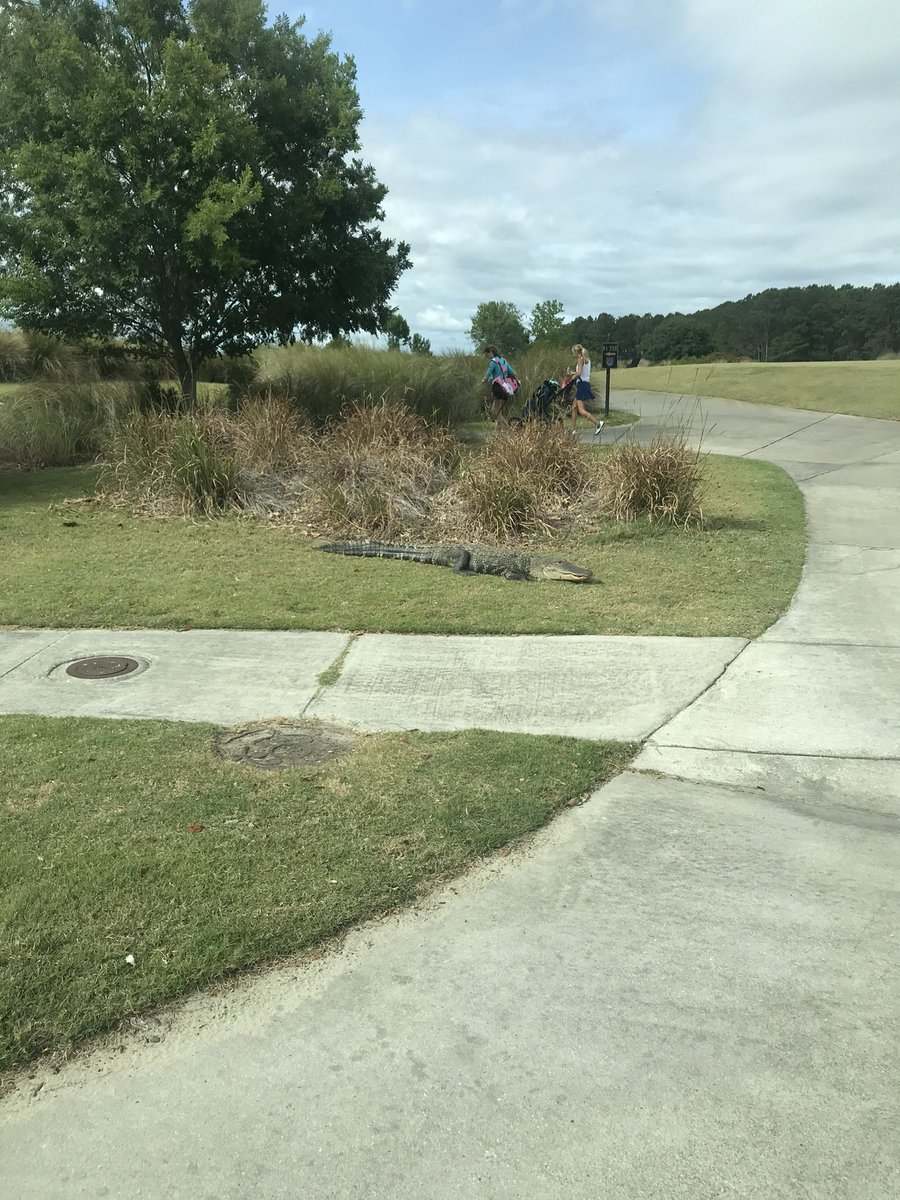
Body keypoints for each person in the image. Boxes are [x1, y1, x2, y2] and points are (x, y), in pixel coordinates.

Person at [570, 344, 603, 437]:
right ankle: (572, 429)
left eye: (573, 352)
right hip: (585, 384)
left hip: (582, 385)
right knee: (574, 407)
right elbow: (582, 372)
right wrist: (574, 373)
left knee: (581, 410)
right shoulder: (586, 359)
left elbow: (580, 373)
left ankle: (598, 423)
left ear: (576, 352)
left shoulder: (580, 359)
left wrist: (573, 376)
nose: (572, 354)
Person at [482, 346, 519, 427]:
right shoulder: (504, 360)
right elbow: (511, 372)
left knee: (494, 411)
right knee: (498, 410)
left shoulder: (493, 362)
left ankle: (509, 429)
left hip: (498, 388)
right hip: (505, 388)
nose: (486, 356)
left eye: (487, 354)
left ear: (491, 352)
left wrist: (484, 380)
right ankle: (498, 434)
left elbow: (489, 373)